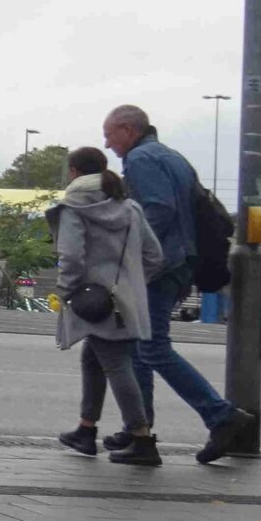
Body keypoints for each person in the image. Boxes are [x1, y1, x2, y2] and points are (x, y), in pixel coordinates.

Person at [102, 104, 260, 463]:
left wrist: (129, 251)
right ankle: (138, 432)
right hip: (181, 260)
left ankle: (221, 415)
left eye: (110, 134)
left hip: (160, 264)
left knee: (153, 347)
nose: (108, 144)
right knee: (141, 346)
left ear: (127, 129)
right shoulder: (173, 157)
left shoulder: (141, 159)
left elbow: (158, 210)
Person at [50, 146, 168, 466]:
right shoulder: (130, 208)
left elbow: (71, 257)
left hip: (93, 301)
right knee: (94, 358)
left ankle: (142, 438)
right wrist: (130, 284)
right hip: (124, 301)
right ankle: (86, 430)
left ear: (74, 172)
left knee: (115, 365)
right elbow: (155, 257)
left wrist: (66, 290)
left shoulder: (73, 207)